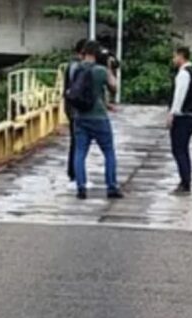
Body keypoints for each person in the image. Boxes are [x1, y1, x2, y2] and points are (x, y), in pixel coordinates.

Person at [73, 40, 124, 200]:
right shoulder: (100, 71)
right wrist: (109, 68)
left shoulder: (76, 69)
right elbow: (114, 87)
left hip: (80, 116)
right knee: (108, 152)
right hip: (99, 117)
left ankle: (81, 187)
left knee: (80, 152)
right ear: (96, 54)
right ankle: (111, 186)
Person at [167, 46, 192, 196]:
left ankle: (185, 183)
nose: (173, 60)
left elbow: (179, 95)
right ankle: (186, 180)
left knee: (178, 150)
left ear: (181, 56)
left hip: (182, 116)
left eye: (175, 57)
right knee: (184, 150)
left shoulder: (183, 74)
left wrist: (172, 113)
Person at [64, 39, 87, 182]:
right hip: (75, 109)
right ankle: (75, 174)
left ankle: (74, 172)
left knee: (76, 142)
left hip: (71, 107)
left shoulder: (73, 66)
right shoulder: (77, 67)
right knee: (77, 143)